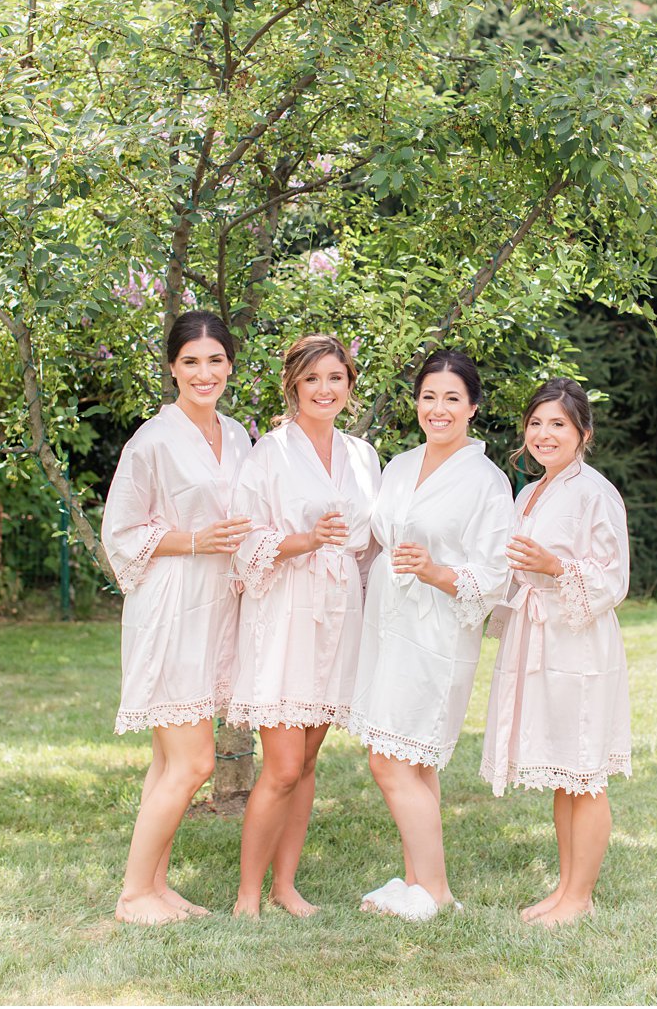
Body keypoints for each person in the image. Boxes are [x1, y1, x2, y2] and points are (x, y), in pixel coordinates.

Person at [347, 350, 514, 922]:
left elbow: (494, 577)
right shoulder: (399, 465)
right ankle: (417, 881)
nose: (437, 409)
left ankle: (437, 892)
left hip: (438, 636)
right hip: (388, 626)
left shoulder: (488, 483)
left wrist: (435, 571)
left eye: (451, 398)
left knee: (389, 762)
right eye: (427, 397)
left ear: (472, 406)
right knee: (413, 762)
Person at [101, 311, 254, 924]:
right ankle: (133, 894)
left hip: (215, 608)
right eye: (191, 361)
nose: (204, 372)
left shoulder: (239, 435)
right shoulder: (152, 442)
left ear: (230, 366)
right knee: (193, 762)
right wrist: (194, 540)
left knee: (167, 761)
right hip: (170, 606)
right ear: (172, 368)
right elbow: (121, 530)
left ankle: (157, 887)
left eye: (215, 360)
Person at [223, 334, 381, 917]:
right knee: (283, 765)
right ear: (293, 385)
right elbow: (243, 542)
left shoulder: (364, 457)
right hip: (286, 613)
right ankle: (247, 896)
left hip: (340, 618)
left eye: (335, 378)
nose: (324, 389)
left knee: (308, 763)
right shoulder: (268, 454)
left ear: (349, 384)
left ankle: (285, 886)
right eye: (312, 379)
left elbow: (371, 545)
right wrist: (306, 541)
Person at [480, 377, 631, 927]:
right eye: (537, 423)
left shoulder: (596, 492)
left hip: (579, 640)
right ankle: (565, 887)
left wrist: (553, 568)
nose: (544, 434)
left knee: (584, 767)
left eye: (558, 424)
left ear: (582, 432)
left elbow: (613, 579)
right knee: (565, 768)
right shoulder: (530, 491)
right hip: (538, 634)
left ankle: (580, 897)